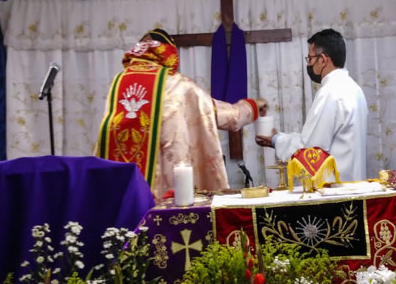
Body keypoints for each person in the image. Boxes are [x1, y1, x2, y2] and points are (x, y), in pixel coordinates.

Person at [95, 29, 268, 202]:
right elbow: (226, 115)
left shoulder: (118, 82)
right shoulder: (176, 83)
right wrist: (253, 106)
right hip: (168, 189)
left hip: (123, 190)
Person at [255, 29, 368, 182]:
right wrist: (279, 138)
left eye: (310, 58)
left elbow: (311, 150)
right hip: (354, 182)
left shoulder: (330, 92)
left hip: (334, 188)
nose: (308, 64)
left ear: (323, 60)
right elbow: (316, 138)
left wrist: (275, 140)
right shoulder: (354, 88)